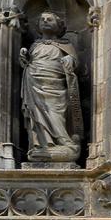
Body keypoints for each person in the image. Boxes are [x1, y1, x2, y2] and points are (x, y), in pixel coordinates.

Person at [20, 10, 81, 162]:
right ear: (38, 26)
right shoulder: (35, 45)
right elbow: (28, 63)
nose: (45, 21)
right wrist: (25, 56)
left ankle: (64, 140)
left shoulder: (66, 45)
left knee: (56, 112)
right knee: (37, 114)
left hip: (56, 87)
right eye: (43, 20)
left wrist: (69, 60)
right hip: (34, 84)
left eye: (50, 19)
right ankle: (41, 145)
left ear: (59, 26)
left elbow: (74, 62)